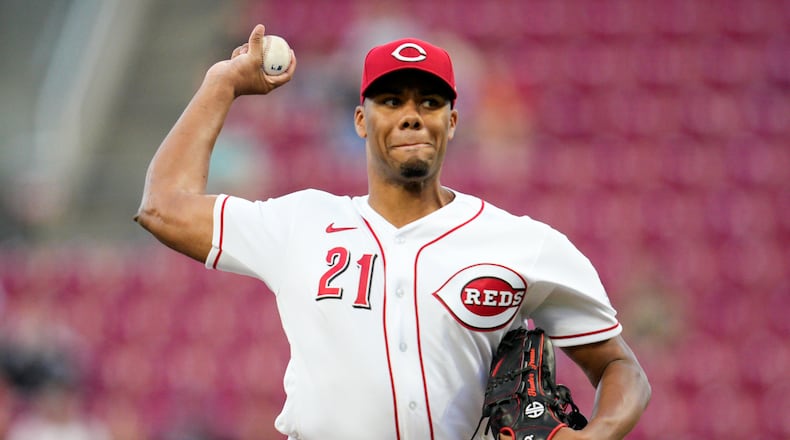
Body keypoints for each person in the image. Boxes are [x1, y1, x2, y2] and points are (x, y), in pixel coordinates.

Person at [135, 24, 651, 440]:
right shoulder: (301, 223)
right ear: (361, 119)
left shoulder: (523, 244)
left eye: (429, 102)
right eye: (391, 101)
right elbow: (163, 208)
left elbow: (618, 367)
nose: (410, 117)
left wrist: (597, 436)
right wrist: (221, 84)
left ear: (452, 120)